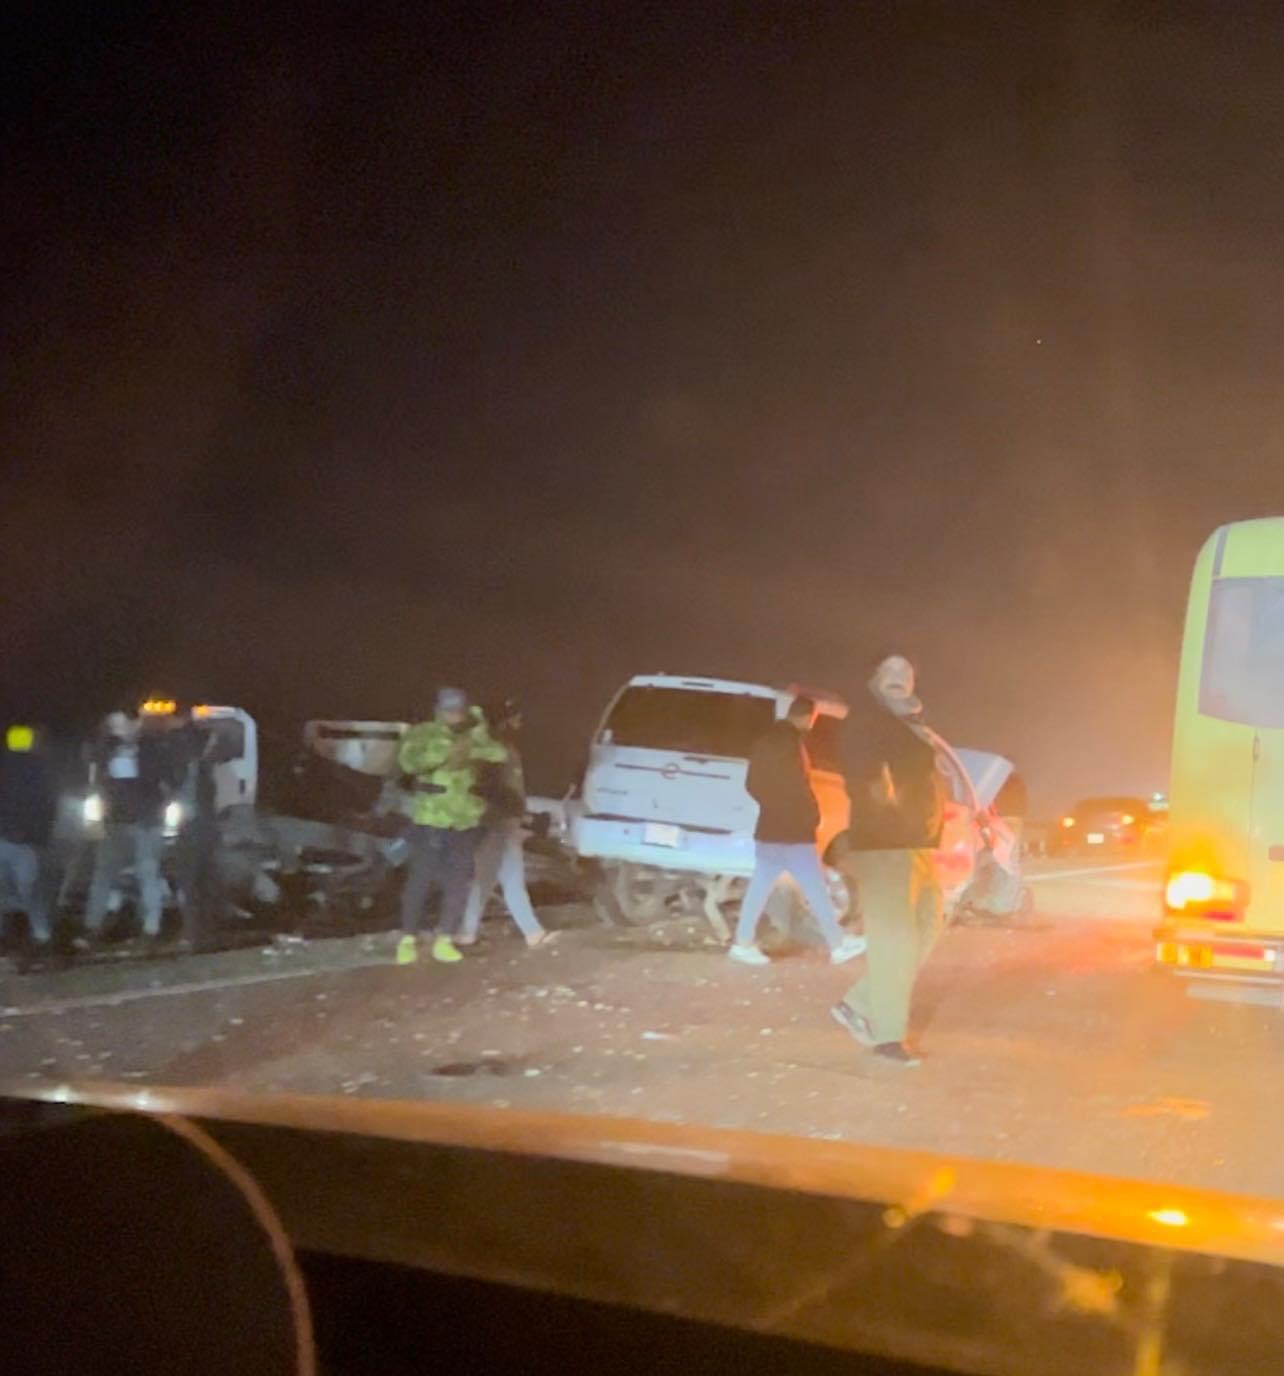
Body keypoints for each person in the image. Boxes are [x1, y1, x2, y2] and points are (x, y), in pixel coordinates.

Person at [831, 655, 946, 1067]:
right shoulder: (868, 720)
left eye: (906, 675)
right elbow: (863, 776)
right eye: (889, 674)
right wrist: (888, 811)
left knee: (930, 924)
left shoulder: (909, 723)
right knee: (895, 941)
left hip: (917, 844)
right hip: (886, 844)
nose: (899, 680)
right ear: (875, 681)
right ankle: (887, 1037)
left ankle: (858, 1002)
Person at [728, 695, 866, 967]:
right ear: (808, 717)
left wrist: (771, 806)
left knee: (761, 887)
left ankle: (742, 942)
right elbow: (797, 786)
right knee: (814, 887)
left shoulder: (764, 741)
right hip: (793, 831)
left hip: (769, 828)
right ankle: (838, 944)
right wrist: (810, 814)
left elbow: (752, 784)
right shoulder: (792, 743)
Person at [397, 687, 506, 965]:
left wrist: (479, 731)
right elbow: (409, 763)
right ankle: (408, 938)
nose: (454, 717)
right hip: (430, 819)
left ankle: (445, 939)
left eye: (458, 711)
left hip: (464, 821)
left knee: (459, 882)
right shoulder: (422, 733)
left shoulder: (471, 735)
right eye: (449, 711)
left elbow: (498, 754)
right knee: (419, 881)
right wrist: (446, 747)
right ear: (438, 710)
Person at [458, 698, 553, 948]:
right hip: (497, 823)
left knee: (495, 879)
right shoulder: (497, 751)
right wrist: (517, 816)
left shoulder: (494, 749)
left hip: (498, 822)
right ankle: (531, 933)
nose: (520, 723)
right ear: (505, 720)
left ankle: (470, 933)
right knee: (498, 880)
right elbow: (498, 790)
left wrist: (521, 816)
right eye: (515, 718)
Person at [83, 709, 181, 945]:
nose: (121, 730)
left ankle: (151, 929)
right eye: (114, 726)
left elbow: (162, 777)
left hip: (145, 822)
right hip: (117, 823)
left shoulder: (149, 749)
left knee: (147, 873)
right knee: (104, 875)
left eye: (123, 724)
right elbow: (98, 776)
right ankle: (92, 927)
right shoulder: (106, 754)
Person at [0, 724, 59, 951]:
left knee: (6, 890)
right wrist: (43, 834)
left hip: (5, 836)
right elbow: (46, 804)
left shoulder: (5, 766)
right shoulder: (38, 768)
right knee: (31, 890)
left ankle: (7, 935)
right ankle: (41, 934)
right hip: (25, 840)